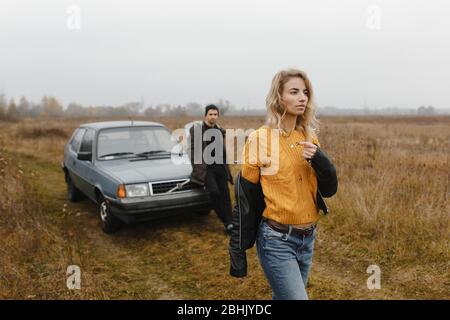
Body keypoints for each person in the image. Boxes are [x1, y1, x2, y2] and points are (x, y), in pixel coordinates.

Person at [228, 69, 338, 299]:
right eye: (294, 92)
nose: (302, 98)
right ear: (279, 97)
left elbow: (328, 190)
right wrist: (237, 250)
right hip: (276, 240)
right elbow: (244, 198)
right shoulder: (259, 139)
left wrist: (321, 160)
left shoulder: (309, 137)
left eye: (305, 92)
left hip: (308, 238)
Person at [189, 104, 234, 234]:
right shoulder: (198, 129)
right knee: (214, 192)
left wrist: (227, 169)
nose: (213, 117)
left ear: (218, 116)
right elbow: (193, 151)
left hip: (220, 167)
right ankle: (226, 220)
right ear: (205, 115)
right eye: (211, 114)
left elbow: (222, 151)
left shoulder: (219, 130)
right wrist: (198, 168)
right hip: (206, 169)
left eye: (215, 114)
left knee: (225, 194)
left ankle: (230, 223)